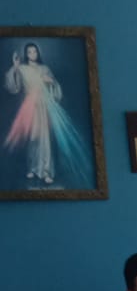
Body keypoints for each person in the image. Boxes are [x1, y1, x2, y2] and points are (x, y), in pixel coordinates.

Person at [3, 40, 92, 187]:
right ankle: (32, 167)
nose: (32, 54)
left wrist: (50, 82)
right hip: (29, 107)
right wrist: (15, 66)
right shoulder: (23, 69)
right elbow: (13, 87)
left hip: (44, 107)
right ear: (26, 54)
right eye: (29, 52)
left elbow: (56, 87)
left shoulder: (45, 68)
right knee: (33, 138)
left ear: (38, 53)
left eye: (34, 51)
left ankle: (46, 172)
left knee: (44, 139)